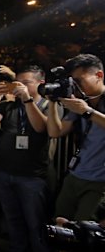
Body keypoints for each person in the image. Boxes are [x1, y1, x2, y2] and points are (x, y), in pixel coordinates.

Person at [0, 65, 55, 252]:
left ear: (41, 83)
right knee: (13, 219)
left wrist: (28, 100)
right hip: (5, 172)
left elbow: (41, 128)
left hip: (32, 176)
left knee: (35, 223)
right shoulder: (10, 106)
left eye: (26, 82)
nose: (20, 86)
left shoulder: (47, 105)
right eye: (18, 82)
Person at [47, 53, 105, 221]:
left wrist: (87, 112)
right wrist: (52, 101)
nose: (76, 87)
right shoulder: (81, 103)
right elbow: (55, 132)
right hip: (76, 175)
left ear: (99, 75)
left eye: (79, 81)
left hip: (99, 182)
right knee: (60, 226)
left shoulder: (84, 107)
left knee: (84, 231)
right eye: (73, 82)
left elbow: (87, 113)